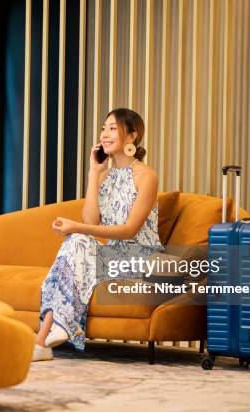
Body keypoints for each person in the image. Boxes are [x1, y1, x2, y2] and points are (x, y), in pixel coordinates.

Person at [33, 108, 163, 362]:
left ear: (132, 136)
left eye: (113, 128)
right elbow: (91, 220)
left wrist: (76, 227)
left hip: (142, 258)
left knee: (78, 237)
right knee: (78, 241)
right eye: (104, 128)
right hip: (114, 257)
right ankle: (52, 332)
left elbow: (129, 231)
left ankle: (49, 334)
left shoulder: (146, 176)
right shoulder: (109, 177)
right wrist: (94, 173)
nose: (104, 134)